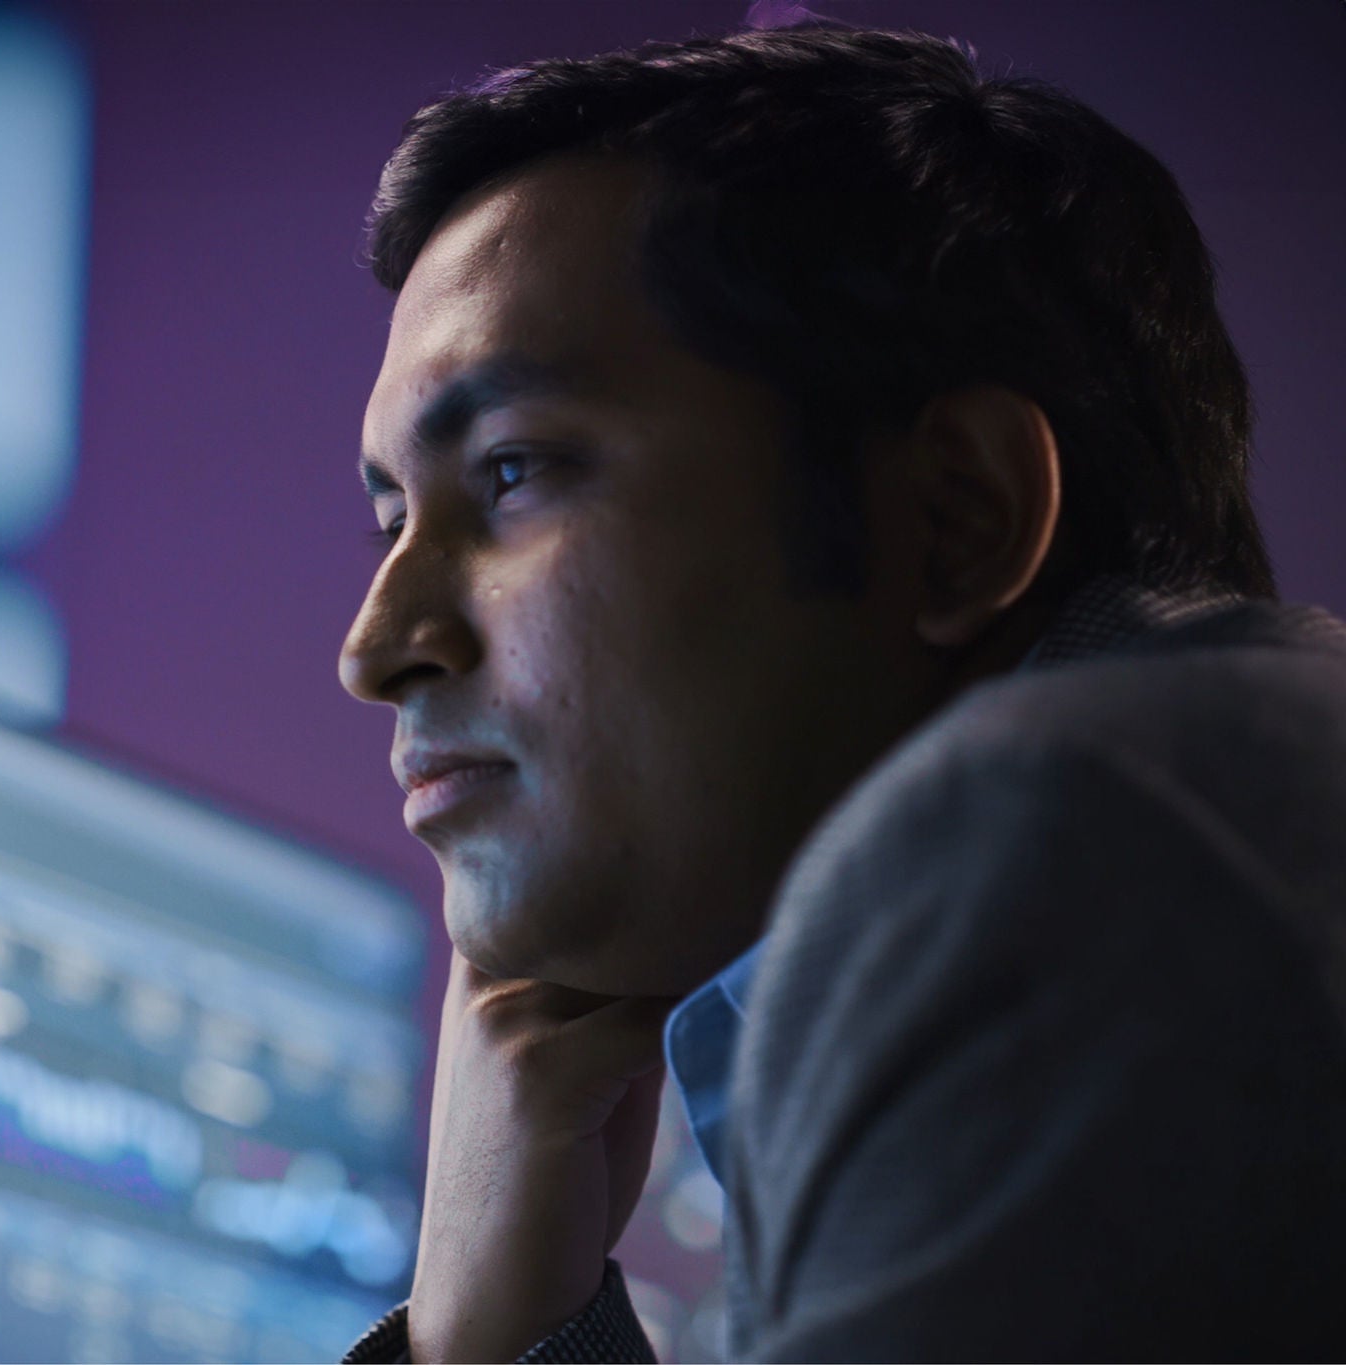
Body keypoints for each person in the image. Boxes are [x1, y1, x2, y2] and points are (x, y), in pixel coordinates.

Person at [334, 23, 1346, 1363]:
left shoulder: (1074, 827)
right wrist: (517, 1317)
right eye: (390, 519)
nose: (377, 644)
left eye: (515, 471)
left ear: (956, 513)